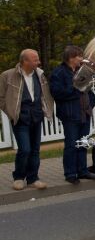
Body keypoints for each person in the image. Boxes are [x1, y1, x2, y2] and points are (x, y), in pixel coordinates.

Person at [0, 49, 54, 190]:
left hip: (36, 117)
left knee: (35, 150)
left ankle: (33, 178)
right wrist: (11, 112)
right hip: (20, 118)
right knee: (25, 149)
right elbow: (1, 97)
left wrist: (45, 110)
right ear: (25, 61)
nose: (39, 62)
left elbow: (45, 94)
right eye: (35, 60)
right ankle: (18, 177)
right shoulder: (8, 75)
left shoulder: (40, 75)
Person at [50, 45, 95, 184]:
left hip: (85, 113)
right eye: (79, 56)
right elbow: (57, 93)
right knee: (71, 145)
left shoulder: (82, 71)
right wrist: (76, 88)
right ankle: (70, 173)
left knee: (83, 144)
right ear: (71, 58)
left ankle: (82, 171)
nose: (82, 59)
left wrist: (91, 104)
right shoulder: (58, 73)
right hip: (70, 115)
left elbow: (90, 90)